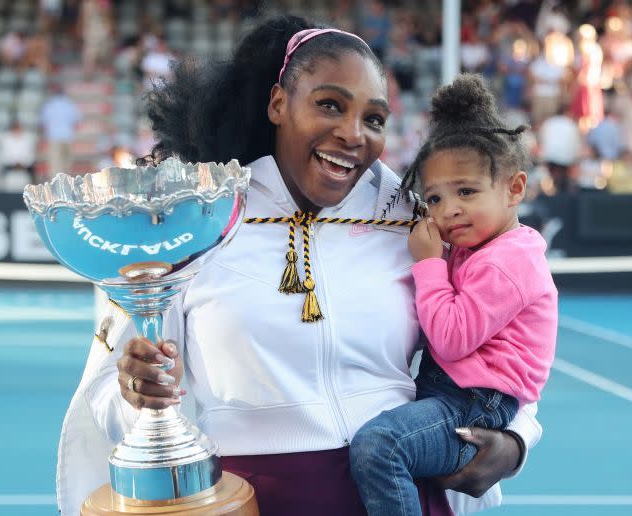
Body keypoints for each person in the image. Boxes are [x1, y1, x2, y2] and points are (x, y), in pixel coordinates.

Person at [56, 16, 542, 516]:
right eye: (329, 104)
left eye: (374, 119)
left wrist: (516, 439)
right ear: (278, 104)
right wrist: (141, 393)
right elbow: (105, 393)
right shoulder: (197, 220)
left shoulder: (416, 221)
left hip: (402, 493)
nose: (353, 134)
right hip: (256, 499)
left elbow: (506, 337)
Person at [348, 74, 556, 516]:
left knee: (380, 446)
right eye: (435, 199)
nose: (449, 210)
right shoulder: (476, 249)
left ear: (514, 189)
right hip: (456, 393)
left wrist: (428, 263)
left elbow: (451, 338)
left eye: (466, 191)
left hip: (474, 403)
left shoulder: (508, 260)